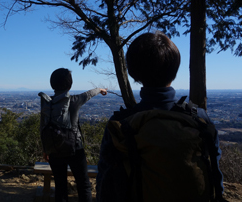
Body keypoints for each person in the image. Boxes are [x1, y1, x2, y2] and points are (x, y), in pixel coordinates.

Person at [96, 31, 224, 201]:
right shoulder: (199, 118)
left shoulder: (120, 124)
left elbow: (105, 182)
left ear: (134, 73)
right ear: (174, 69)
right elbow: (214, 171)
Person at [43, 68, 107, 202]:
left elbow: (43, 127)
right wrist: (100, 89)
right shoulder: (74, 100)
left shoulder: (47, 103)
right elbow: (88, 94)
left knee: (60, 187)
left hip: (54, 149)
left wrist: (46, 149)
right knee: (83, 185)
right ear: (69, 84)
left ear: (52, 84)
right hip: (75, 148)